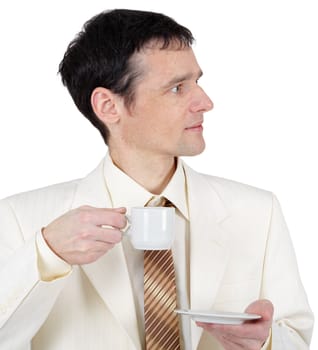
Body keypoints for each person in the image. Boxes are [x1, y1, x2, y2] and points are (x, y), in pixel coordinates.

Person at [0, 9, 313, 350]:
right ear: (108, 106)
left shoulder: (257, 212)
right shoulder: (22, 220)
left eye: (197, 81)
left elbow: (296, 339)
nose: (205, 102)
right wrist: (47, 255)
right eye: (177, 88)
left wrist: (265, 342)